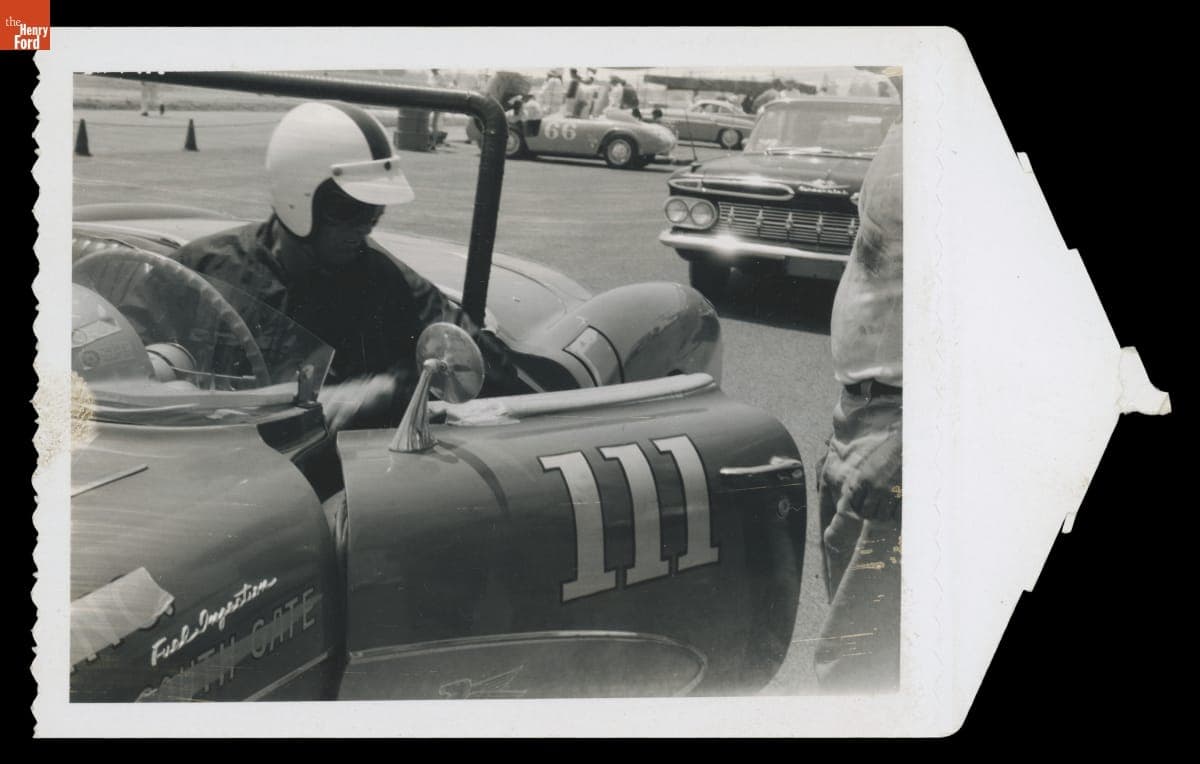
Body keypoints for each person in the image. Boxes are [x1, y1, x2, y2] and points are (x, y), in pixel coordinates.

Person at [158, 101, 517, 431]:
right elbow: (130, 360)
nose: (364, 227)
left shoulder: (388, 282)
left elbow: (491, 369)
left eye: (375, 210)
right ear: (299, 197)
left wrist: (386, 389)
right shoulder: (200, 270)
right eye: (349, 210)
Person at [814, 72, 903, 693]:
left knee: (858, 670)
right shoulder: (910, 122)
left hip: (900, 426)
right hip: (863, 412)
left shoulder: (972, 139)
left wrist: (907, 449)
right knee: (855, 652)